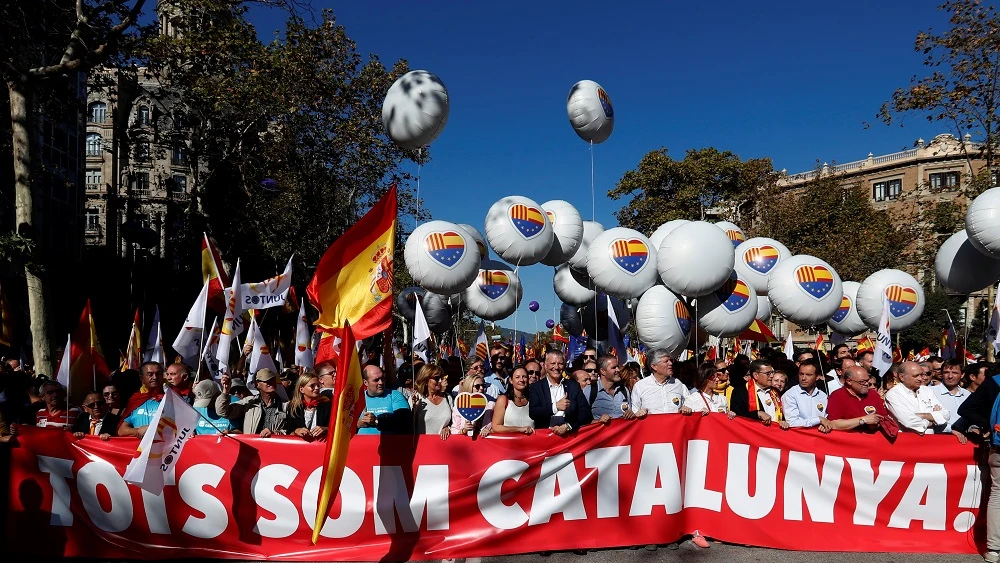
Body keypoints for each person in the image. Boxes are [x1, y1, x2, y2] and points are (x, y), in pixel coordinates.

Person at [528, 350, 592, 435]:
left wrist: (568, 426)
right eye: (553, 363)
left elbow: (586, 413)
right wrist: (555, 406)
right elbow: (533, 412)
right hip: (544, 439)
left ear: (565, 366)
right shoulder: (536, 387)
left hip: (569, 439)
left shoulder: (573, 386)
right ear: (546, 366)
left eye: (560, 364)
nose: (556, 367)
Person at [884, 361, 949, 435]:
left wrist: (922, 415)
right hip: (908, 442)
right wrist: (935, 420)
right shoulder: (894, 394)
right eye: (916, 376)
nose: (920, 379)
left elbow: (946, 414)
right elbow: (908, 421)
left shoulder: (927, 390)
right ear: (902, 377)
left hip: (930, 440)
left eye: (921, 375)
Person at [218, 369, 288, 436]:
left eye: (273, 380)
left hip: (274, 447)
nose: (271, 383)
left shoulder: (286, 406)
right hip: (252, 447)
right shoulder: (249, 402)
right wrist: (225, 391)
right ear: (257, 384)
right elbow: (223, 412)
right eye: (267, 381)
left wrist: (275, 433)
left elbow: (291, 431)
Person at [826, 366, 889, 432]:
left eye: (868, 380)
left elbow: (884, 419)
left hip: (872, 439)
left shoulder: (873, 394)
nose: (867, 384)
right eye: (862, 382)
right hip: (849, 439)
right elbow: (833, 424)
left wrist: (876, 424)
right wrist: (863, 420)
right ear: (849, 381)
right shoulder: (837, 396)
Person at [730, 359, 789, 429]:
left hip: (775, 434)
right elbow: (736, 416)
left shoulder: (776, 391)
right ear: (756, 375)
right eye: (768, 373)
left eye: (772, 372)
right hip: (754, 435)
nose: (772, 376)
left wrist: (783, 421)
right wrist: (757, 413)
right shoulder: (740, 392)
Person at [630, 350, 686, 416]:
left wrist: (687, 407)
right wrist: (637, 413)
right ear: (654, 366)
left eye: (671, 360)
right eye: (666, 361)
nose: (670, 363)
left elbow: (689, 404)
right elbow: (635, 411)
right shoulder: (640, 386)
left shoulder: (678, 384)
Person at [358, 365, 411, 435]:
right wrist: (358, 424)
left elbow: (404, 422)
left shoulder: (394, 395)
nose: (381, 382)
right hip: (360, 444)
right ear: (365, 382)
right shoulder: (358, 399)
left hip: (390, 444)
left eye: (382, 378)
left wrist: (376, 421)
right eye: (376, 380)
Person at [780, 361, 831, 432]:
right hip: (799, 438)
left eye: (808, 375)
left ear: (817, 377)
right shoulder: (790, 394)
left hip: (819, 438)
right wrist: (819, 420)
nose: (803, 378)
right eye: (801, 374)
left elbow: (827, 419)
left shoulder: (823, 395)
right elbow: (792, 423)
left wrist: (824, 424)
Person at [412, 364, 455, 439]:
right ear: (425, 380)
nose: (440, 381)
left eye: (441, 377)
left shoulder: (448, 397)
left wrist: (448, 428)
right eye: (437, 378)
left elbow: (455, 421)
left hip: (444, 445)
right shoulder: (416, 397)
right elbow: (409, 425)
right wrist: (414, 408)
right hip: (423, 445)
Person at [589, 355, 635, 421]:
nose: (618, 370)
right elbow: (582, 420)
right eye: (614, 367)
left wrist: (631, 413)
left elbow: (631, 411)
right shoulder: (590, 390)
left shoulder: (624, 390)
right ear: (603, 371)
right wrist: (598, 421)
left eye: (618, 366)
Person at [285, 373, 329, 441]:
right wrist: (297, 431)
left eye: (318, 385)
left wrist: (325, 429)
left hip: (320, 446)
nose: (317, 388)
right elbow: (288, 431)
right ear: (302, 389)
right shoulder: (293, 408)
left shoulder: (326, 405)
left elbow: (336, 427)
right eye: (312, 386)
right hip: (300, 447)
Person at [491, 366, 534, 435]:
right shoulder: (503, 400)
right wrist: (518, 429)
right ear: (511, 380)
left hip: (531, 444)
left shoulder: (533, 399)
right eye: (517, 377)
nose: (521, 380)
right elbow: (496, 427)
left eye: (524, 377)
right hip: (509, 444)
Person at [934, 359, 970, 434]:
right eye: (946, 372)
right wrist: (951, 430)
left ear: (962, 375)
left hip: (965, 439)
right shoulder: (931, 392)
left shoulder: (968, 395)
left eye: (954, 373)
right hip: (940, 438)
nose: (950, 376)